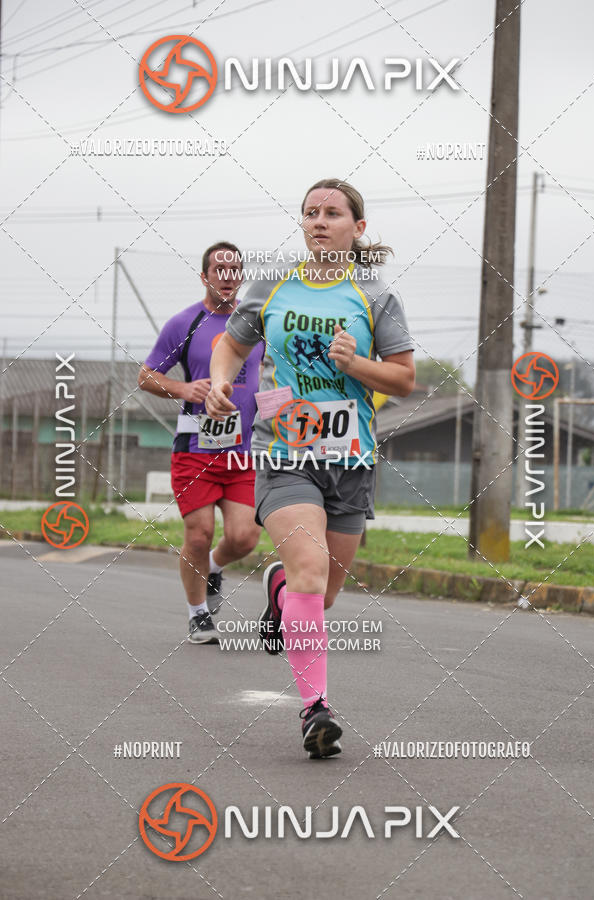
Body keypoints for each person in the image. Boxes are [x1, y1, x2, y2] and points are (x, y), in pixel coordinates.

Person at [206, 181, 415, 757]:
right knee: (308, 573)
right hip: (284, 452)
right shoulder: (274, 284)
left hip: (351, 460)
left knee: (319, 595)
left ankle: (276, 589)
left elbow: (403, 378)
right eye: (310, 213)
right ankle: (315, 708)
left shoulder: (374, 295)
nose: (319, 221)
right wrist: (223, 381)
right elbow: (231, 344)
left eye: (332, 213)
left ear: (358, 227)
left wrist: (357, 363)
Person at [138, 242, 263, 644]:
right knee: (198, 532)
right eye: (218, 268)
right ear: (205, 276)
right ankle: (198, 615)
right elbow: (146, 376)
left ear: (240, 276)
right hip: (195, 449)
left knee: (245, 537)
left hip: (244, 453)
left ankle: (211, 566)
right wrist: (185, 388)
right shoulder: (184, 323)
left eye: (233, 269)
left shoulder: (257, 321)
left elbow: (275, 378)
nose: (226, 275)